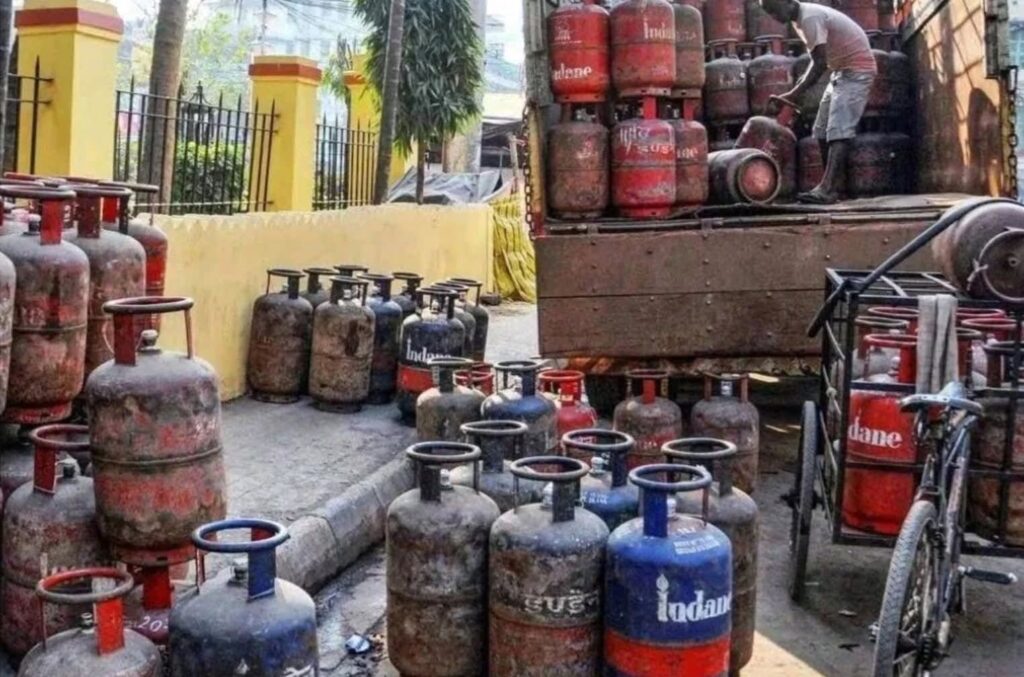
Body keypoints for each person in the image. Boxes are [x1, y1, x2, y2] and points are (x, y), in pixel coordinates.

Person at [761, 0, 877, 204]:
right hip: (840, 72)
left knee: (838, 130)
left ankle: (827, 189)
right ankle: (832, 189)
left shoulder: (810, 18)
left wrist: (793, 94)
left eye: (775, 10)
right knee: (821, 130)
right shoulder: (799, 20)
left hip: (857, 71)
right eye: (770, 13)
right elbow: (817, 60)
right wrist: (793, 93)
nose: (774, 17)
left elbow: (820, 64)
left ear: (788, 3)